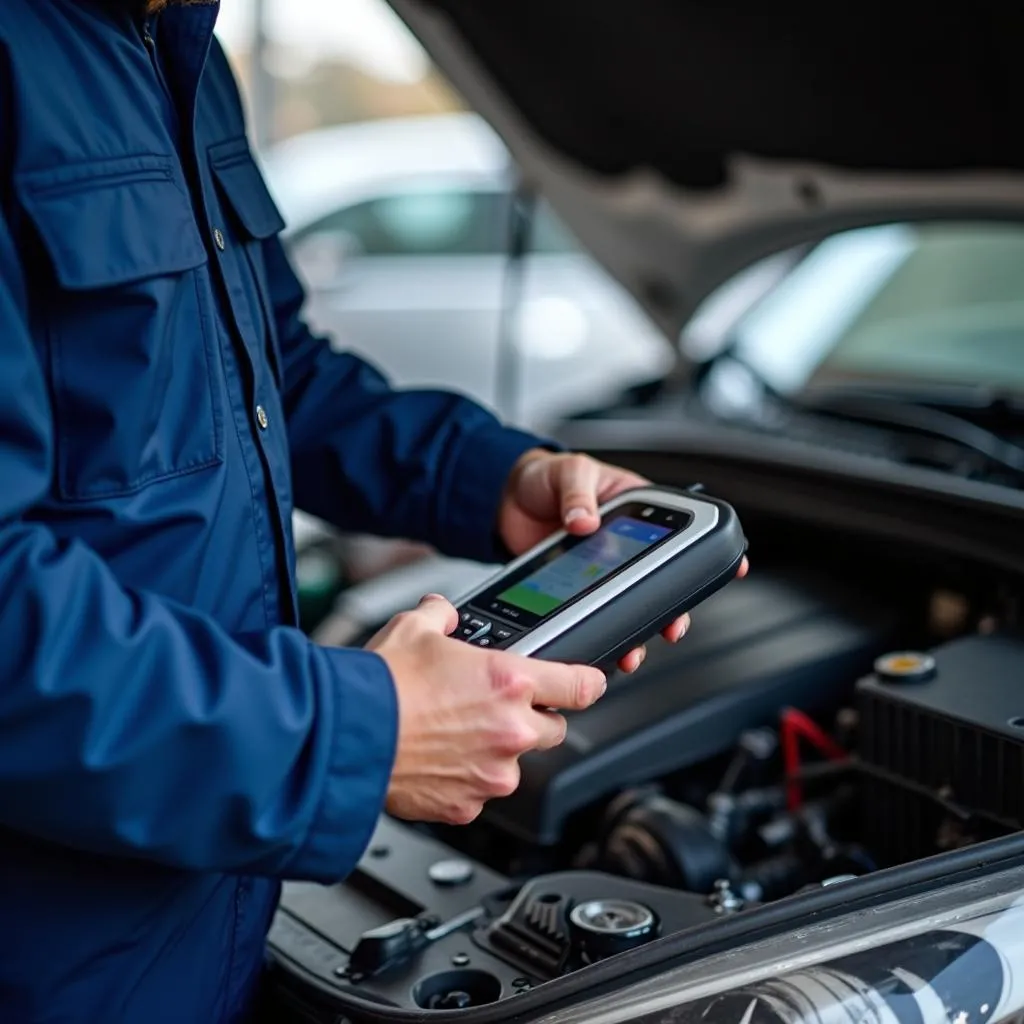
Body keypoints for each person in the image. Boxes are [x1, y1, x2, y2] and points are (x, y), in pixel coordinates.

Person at [0, 2, 746, 1022]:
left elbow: (272, 376)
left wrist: (496, 478)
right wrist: (358, 734)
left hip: (200, 911)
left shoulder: (177, 55)